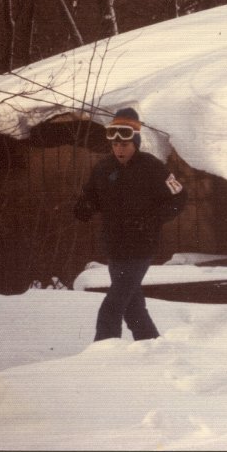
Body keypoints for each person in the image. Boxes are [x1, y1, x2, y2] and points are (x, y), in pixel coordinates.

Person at [74, 107, 187, 341]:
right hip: (114, 247)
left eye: (124, 145)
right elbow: (91, 195)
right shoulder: (103, 168)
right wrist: (85, 207)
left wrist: (154, 218)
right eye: (115, 145)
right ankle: (152, 346)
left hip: (141, 247)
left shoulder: (152, 167)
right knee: (133, 306)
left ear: (134, 142)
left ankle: (104, 351)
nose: (119, 149)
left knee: (112, 305)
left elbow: (179, 197)